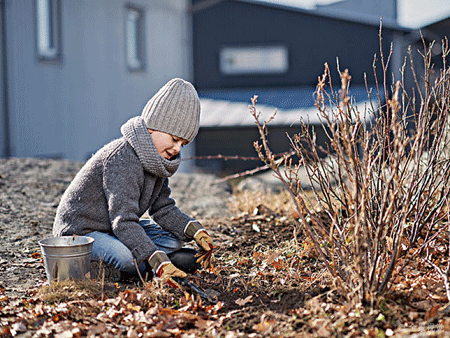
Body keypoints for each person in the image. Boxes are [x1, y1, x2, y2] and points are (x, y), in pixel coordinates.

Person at [53, 78, 213, 287]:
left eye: (183, 143)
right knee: (126, 258)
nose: (177, 149)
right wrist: (156, 258)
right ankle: (114, 266)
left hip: (112, 228)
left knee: (174, 240)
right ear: (152, 128)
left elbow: (163, 208)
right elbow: (124, 221)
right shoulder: (122, 159)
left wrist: (195, 230)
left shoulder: (157, 162)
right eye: (174, 139)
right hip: (81, 234)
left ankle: (148, 261)